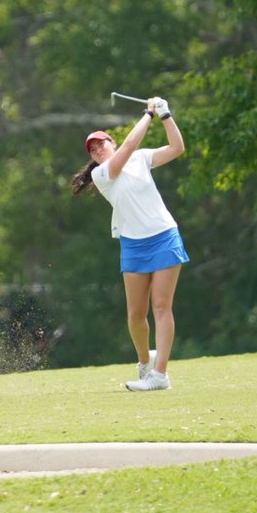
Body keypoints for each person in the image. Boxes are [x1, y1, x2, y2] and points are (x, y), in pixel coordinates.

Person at [71, 96, 187, 391]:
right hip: (134, 245)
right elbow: (127, 150)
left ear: (111, 141)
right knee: (136, 316)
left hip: (164, 236)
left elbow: (177, 148)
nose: (98, 151)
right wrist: (147, 115)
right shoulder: (101, 174)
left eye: (101, 144)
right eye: (93, 150)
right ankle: (144, 364)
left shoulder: (140, 158)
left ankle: (160, 375)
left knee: (161, 308)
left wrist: (165, 115)